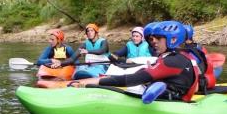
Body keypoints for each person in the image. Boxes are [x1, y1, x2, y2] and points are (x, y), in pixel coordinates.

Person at [71, 20, 200, 102]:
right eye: (151, 39)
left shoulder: (171, 61)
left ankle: (157, 88)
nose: (153, 41)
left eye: (158, 38)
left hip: (172, 101)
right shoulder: (180, 56)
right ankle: (157, 87)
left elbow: (130, 80)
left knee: (117, 86)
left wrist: (87, 82)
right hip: (178, 96)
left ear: (172, 40)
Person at [182, 23, 215, 91]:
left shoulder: (189, 51)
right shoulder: (198, 47)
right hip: (208, 79)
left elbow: (193, 70)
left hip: (201, 83)